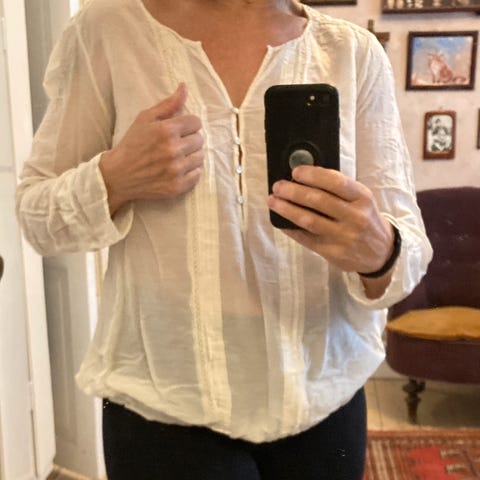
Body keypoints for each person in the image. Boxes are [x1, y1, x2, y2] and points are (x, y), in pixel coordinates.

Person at [16, 1, 432, 479]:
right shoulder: (107, 32)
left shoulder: (351, 52)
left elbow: (407, 252)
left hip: (325, 399)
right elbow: (36, 217)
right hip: (161, 408)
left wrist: (379, 250)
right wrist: (114, 179)